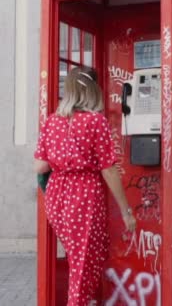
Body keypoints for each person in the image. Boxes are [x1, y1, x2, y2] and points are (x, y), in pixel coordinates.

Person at [33, 67, 136, 306]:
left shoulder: (52, 121)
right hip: (84, 193)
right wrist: (125, 210)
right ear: (92, 91)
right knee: (84, 261)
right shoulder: (95, 121)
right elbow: (108, 169)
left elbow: (39, 167)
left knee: (80, 256)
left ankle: (84, 301)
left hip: (57, 194)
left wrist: (63, 157)